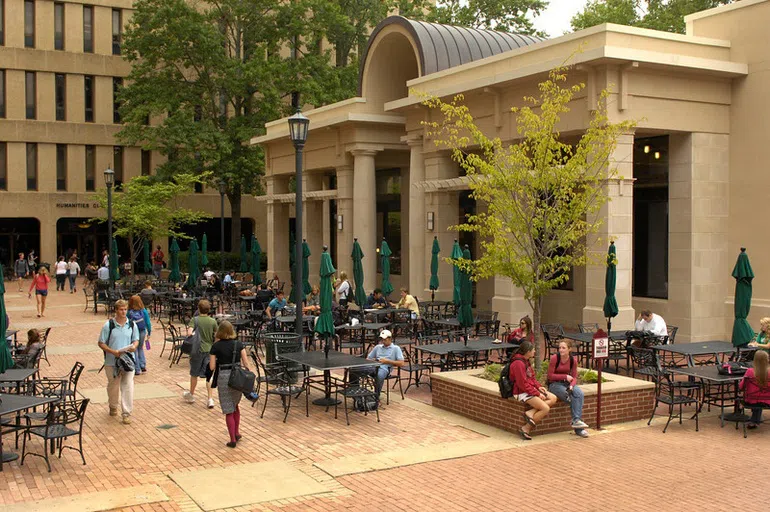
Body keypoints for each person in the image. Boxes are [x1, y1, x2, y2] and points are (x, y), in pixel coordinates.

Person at [97, 299, 139, 425]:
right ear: (116, 310)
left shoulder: (132, 324)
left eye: (125, 309)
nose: (123, 312)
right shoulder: (108, 325)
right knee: (113, 386)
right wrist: (112, 351)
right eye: (121, 309)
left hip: (128, 361)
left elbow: (136, 339)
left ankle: (126, 413)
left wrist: (134, 347)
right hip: (112, 362)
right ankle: (113, 405)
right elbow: (101, 343)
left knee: (127, 386)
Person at [208, 320, 250, 448]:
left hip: (224, 377)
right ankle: (237, 432)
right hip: (237, 376)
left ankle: (232, 439)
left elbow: (212, 367)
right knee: (235, 405)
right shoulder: (238, 344)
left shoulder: (216, 347)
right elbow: (246, 364)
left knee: (228, 409)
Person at [509, 340, 558, 440]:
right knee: (545, 408)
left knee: (553, 398)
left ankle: (531, 412)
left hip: (529, 389)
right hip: (521, 392)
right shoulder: (518, 363)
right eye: (533, 350)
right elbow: (521, 384)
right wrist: (537, 393)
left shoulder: (526, 361)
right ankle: (526, 428)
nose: (535, 351)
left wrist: (538, 387)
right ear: (527, 351)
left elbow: (531, 378)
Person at [547, 339, 590, 438]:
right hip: (554, 385)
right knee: (569, 396)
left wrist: (571, 385)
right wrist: (565, 377)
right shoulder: (555, 358)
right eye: (560, 348)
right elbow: (550, 376)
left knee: (579, 394)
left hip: (567, 384)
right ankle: (578, 428)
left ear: (569, 349)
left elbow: (574, 377)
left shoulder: (573, 360)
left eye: (563, 348)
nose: (561, 350)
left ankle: (576, 422)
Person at [349, 330, 404, 399]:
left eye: (385, 340)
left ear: (390, 339)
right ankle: (354, 391)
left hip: (385, 368)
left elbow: (401, 363)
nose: (383, 341)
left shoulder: (396, 348)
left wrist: (388, 361)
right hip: (373, 366)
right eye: (382, 340)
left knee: (380, 375)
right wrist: (374, 360)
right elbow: (368, 359)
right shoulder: (378, 347)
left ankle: (376, 396)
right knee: (354, 370)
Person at [183, 299, 218, 408]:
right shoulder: (213, 321)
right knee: (208, 375)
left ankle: (192, 394)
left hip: (197, 350)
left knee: (194, 374)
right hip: (209, 350)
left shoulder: (195, 320)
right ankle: (210, 398)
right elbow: (216, 336)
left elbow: (189, 333)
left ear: (198, 309)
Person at [741, 350, 770, 429]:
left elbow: (741, 387)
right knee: (761, 397)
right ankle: (754, 421)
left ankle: (754, 421)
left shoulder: (749, 371)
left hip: (751, 400)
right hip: (768, 401)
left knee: (756, 397)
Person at [127, 295, 152, 376]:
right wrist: (149, 332)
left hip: (133, 332)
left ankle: (137, 369)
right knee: (140, 348)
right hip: (142, 331)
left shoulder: (129, 312)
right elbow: (148, 322)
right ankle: (142, 365)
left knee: (134, 349)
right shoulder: (143, 310)